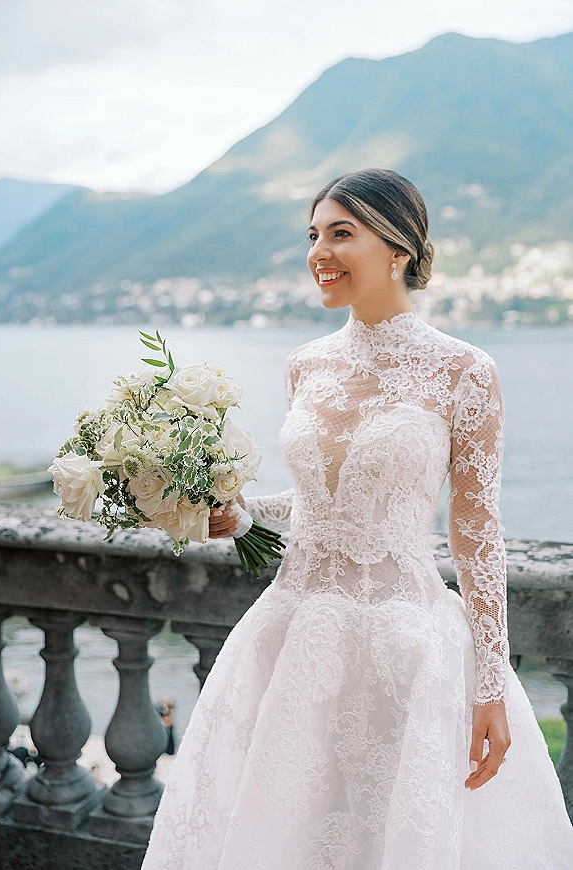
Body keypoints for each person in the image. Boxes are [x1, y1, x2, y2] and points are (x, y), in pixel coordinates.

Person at [141, 169, 573, 869]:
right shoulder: (305, 366)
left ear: (399, 249)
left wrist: (490, 683)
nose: (320, 252)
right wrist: (241, 513)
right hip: (291, 637)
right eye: (313, 235)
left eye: (342, 233)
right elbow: (317, 508)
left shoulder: (463, 370)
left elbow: (477, 532)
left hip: (404, 649)